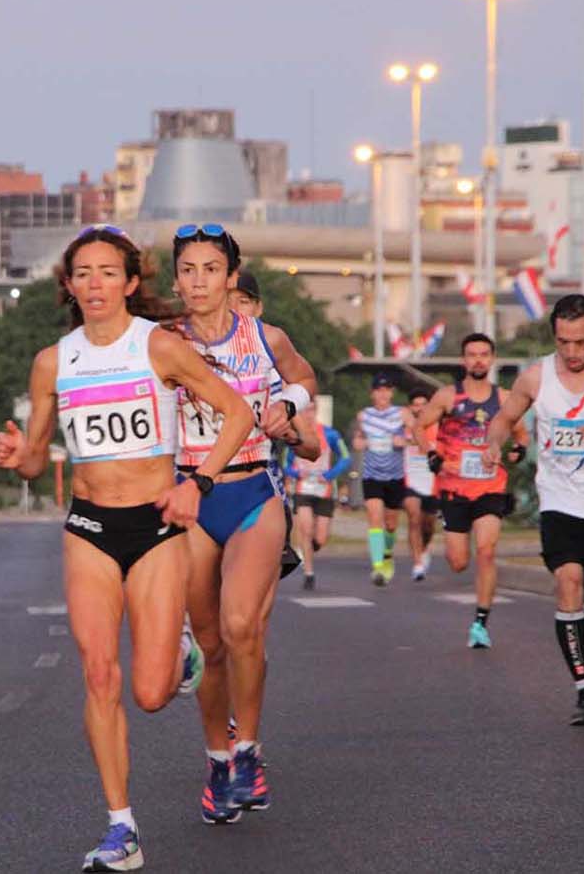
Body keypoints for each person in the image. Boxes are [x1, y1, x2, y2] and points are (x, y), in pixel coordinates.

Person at [0, 224, 253, 872]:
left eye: (109, 272)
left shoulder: (158, 346)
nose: (95, 284)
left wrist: (200, 482)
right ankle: (121, 827)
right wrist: (17, 455)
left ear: (131, 282)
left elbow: (238, 412)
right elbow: (35, 458)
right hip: (90, 530)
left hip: (157, 526)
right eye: (83, 274)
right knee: (98, 673)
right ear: (69, 286)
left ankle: (184, 653)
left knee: (152, 692)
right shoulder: (54, 361)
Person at [170, 222, 320, 826]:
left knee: (240, 625)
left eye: (211, 269)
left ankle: (248, 751)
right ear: (175, 279)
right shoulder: (160, 342)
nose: (199, 281)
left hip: (254, 490)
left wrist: (289, 405)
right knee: (208, 645)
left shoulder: (265, 337)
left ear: (232, 278)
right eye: (188, 270)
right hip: (189, 499)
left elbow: (305, 377)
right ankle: (216, 759)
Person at [488, 295, 584, 725]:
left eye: (581, 343)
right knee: (568, 580)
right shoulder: (536, 378)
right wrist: (491, 442)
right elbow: (505, 417)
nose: (572, 354)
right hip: (561, 500)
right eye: (563, 343)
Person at [415, 334, 528, 649]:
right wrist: (431, 454)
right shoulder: (448, 397)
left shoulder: (505, 398)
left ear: (492, 359)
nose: (478, 360)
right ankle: (449, 536)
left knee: (487, 551)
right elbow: (417, 427)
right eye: (472, 355)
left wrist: (518, 449)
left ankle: (480, 622)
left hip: (491, 486)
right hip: (455, 488)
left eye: (483, 354)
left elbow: (520, 432)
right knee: (458, 561)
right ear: (464, 360)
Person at [230, 270, 306, 582]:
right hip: (198, 487)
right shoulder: (187, 353)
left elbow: (311, 446)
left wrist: (290, 432)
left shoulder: (269, 367)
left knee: (242, 621)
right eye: (226, 301)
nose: (235, 310)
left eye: (243, 302)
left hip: (257, 487)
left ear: (258, 308)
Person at [354, 373, 408, 587]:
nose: (383, 394)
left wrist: (404, 440)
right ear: (372, 394)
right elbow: (357, 440)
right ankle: (377, 566)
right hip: (372, 475)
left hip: (395, 475)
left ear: (392, 393)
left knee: (391, 523)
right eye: (379, 390)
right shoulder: (364, 416)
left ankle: (387, 552)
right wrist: (359, 442)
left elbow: (416, 434)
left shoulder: (402, 414)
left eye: (387, 390)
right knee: (374, 517)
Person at [285, 418, 351, 590]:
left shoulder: (330, 434)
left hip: (324, 490)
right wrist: (296, 473)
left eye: (311, 409)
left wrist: (330, 475)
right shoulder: (293, 434)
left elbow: (345, 457)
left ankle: (310, 549)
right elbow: (286, 464)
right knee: (305, 529)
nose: (308, 412)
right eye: (304, 409)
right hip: (303, 489)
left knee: (320, 538)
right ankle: (309, 573)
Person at [403, 389, 440, 581]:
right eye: (415, 405)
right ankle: (417, 563)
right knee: (413, 518)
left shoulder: (437, 428)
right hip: (410, 481)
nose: (419, 408)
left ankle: (424, 548)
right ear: (411, 407)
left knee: (428, 525)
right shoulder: (404, 427)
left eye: (423, 404)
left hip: (431, 483)